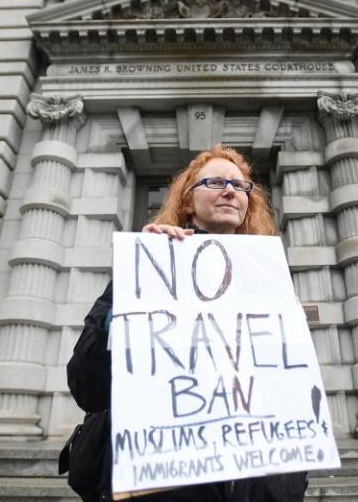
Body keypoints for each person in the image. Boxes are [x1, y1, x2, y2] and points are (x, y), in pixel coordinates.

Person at [67, 145, 307, 502]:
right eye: (215, 182)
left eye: (241, 187)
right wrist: (140, 285)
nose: (231, 191)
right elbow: (88, 387)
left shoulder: (267, 281)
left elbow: (291, 391)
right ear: (187, 203)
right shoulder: (147, 268)